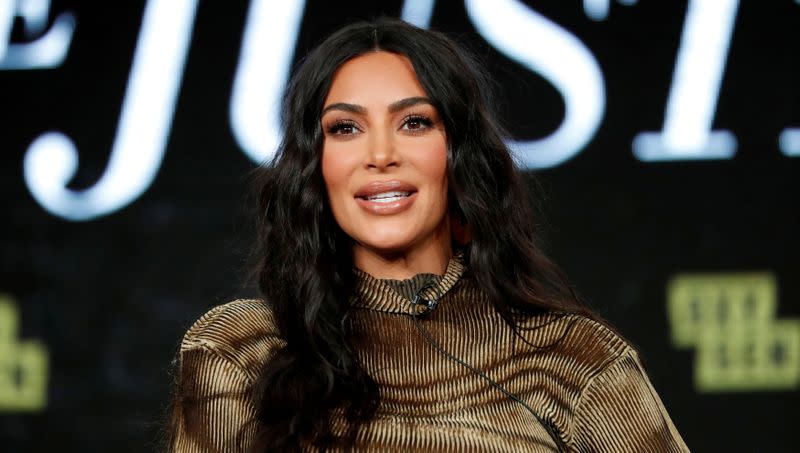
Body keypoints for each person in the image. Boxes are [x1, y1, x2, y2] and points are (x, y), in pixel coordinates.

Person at [167, 18, 689, 452]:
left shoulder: (576, 359)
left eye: (414, 123)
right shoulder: (240, 350)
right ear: (315, 166)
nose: (380, 155)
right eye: (345, 128)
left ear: (458, 155)